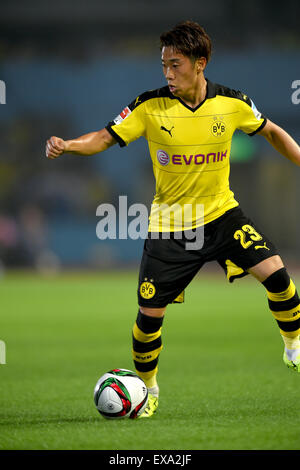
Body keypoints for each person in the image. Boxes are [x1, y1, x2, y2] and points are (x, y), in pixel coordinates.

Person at [46, 21, 300, 418]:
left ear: (200, 64)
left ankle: (293, 345)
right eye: (163, 64)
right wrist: (69, 146)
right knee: (148, 318)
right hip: (170, 227)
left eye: (175, 64)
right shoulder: (149, 106)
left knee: (280, 278)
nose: (167, 73)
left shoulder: (232, 103)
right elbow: (105, 136)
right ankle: (148, 392)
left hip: (222, 215)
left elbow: (271, 132)